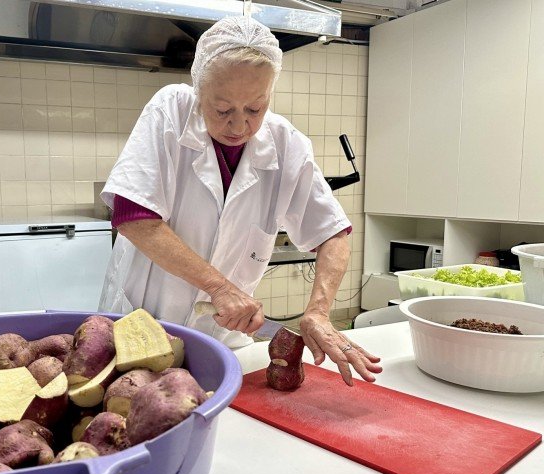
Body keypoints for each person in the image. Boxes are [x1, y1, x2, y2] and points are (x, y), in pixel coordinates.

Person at [99, 16, 381, 386]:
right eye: (222, 109)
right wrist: (221, 288)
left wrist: (318, 311)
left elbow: (333, 234)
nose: (239, 126)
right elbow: (134, 218)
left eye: (255, 108)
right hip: (141, 327)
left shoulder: (287, 143)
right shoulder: (171, 109)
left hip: (222, 339)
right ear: (199, 89)